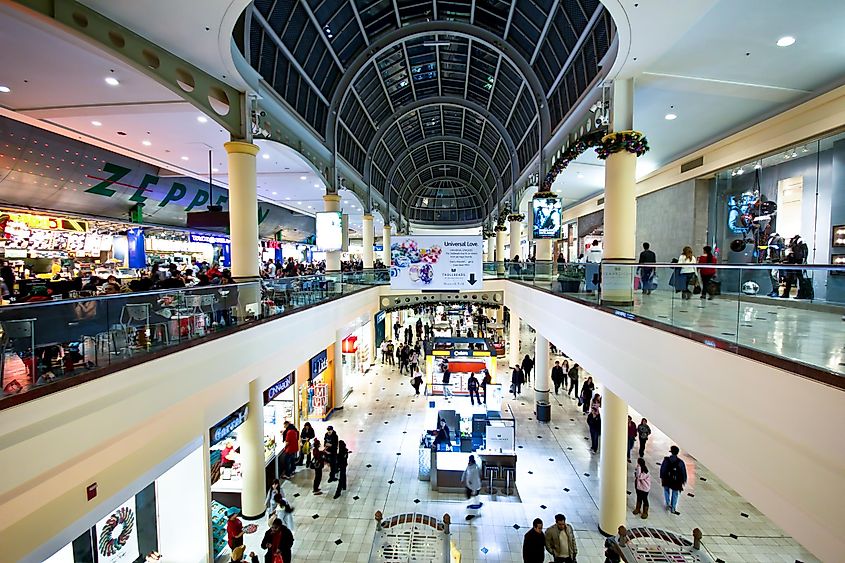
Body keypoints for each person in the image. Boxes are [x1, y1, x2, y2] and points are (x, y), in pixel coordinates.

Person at [660, 445, 687, 514]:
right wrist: (683, 480)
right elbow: (683, 472)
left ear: (671, 452)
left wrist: (662, 477)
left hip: (667, 479)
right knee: (675, 493)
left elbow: (663, 469)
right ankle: (673, 507)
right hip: (676, 481)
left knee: (666, 490)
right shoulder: (680, 462)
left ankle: (668, 504)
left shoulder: (666, 460)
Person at [461, 455, 482, 520]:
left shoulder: (475, 469)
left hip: (474, 488)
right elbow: (465, 472)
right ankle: (472, 513)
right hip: (469, 487)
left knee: (473, 501)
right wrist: (462, 479)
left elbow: (476, 480)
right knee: (470, 500)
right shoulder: (470, 466)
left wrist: (474, 490)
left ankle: (472, 514)